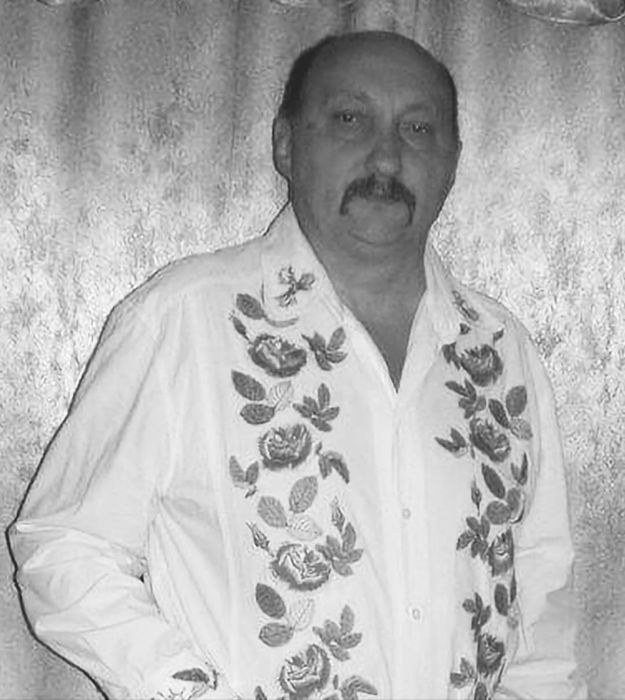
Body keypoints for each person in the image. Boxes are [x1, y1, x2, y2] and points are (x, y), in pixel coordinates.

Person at [9, 30, 586, 700]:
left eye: (418, 128)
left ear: (452, 161)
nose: (386, 156)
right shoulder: (185, 320)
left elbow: (541, 595)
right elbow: (65, 545)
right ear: (285, 144)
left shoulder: (499, 348)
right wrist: (184, 691)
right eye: (349, 119)